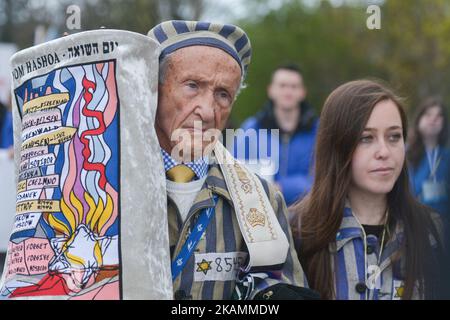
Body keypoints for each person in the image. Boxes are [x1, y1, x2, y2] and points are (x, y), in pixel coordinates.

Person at [147, 20, 314, 300]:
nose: (208, 111)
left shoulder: (263, 199)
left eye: (223, 94)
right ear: (155, 88)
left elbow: (279, 286)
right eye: (192, 86)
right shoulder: (104, 191)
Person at [290, 79, 449, 300]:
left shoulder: (433, 229)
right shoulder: (297, 231)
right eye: (366, 138)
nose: (384, 151)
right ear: (337, 145)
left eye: (394, 136)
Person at [237, 64, 318, 205]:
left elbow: (324, 180)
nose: (288, 91)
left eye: (294, 86)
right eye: (282, 86)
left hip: (307, 215)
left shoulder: (319, 130)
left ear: (303, 92)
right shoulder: (250, 130)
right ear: (271, 90)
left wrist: (282, 187)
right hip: (261, 213)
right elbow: (235, 174)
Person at [407, 97, 450, 248]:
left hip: (441, 229)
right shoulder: (404, 154)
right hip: (410, 225)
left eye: (439, 116)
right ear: (419, 119)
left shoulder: (446, 157)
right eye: (428, 114)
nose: (434, 119)